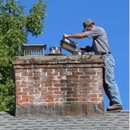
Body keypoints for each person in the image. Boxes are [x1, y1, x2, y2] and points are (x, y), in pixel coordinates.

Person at [63, 18, 122, 111]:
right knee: (105, 83)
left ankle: (117, 102)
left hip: (106, 58)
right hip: (103, 57)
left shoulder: (97, 29)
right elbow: (97, 47)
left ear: (90, 26)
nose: (87, 31)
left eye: (87, 29)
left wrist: (68, 36)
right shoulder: (96, 34)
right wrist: (86, 50)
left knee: (109, 80)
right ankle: (113, 103)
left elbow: (81, 36)